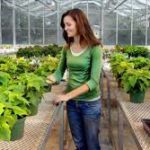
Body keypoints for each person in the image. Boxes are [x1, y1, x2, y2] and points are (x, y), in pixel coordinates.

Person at [47, 8, 103, 150]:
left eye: (68, 24)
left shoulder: (95, 48)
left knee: (92, 144)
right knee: (79, 143)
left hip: (90, 104)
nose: (65, 29)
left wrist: (66, 96)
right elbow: (59, 72)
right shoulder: (67, 48)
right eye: (64, 25)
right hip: (73, 105)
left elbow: (93, 81)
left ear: (79, 23)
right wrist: (51, 78)